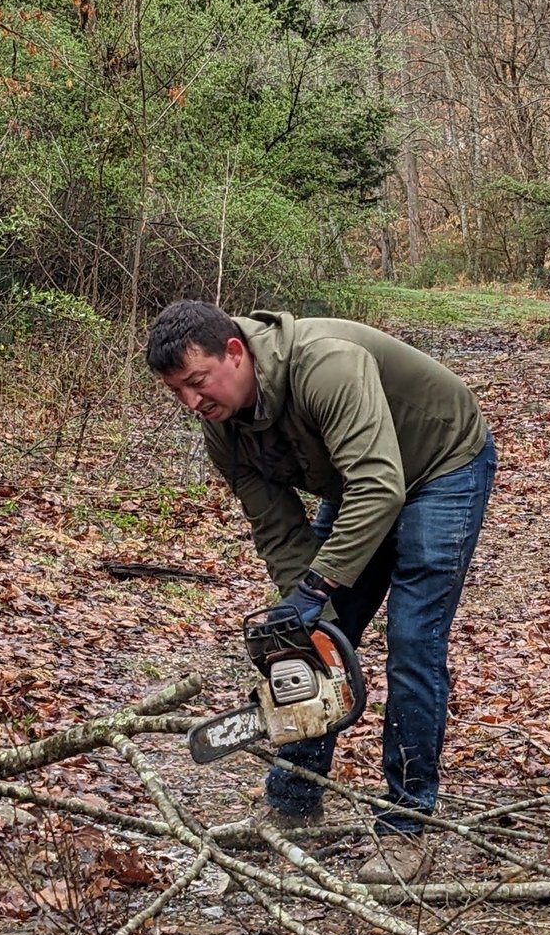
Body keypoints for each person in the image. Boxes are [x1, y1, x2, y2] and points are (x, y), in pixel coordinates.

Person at [146, 299, 496, 884]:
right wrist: (303, 609)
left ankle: (406, 826)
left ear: (234, 352)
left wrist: (317, 585)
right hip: (358, 477)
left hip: (439, 466)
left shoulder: (324, 364)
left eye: (197, 382)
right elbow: (276, 526)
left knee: (413, 639)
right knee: (309, 637)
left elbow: (381, 485)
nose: (192, 403)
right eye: (177, 391)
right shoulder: (223, 430)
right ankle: (293, 802)